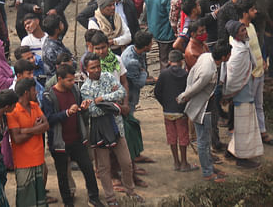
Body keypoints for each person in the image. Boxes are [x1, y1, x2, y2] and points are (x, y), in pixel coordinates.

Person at [80, 54, 142, 205]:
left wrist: (102, 99)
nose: (96, 70)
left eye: (98, 66)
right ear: (86, 70)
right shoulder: (85, 88)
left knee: (126, 162)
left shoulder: (107, 76)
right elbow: (94, 111)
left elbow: (121, 92)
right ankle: (110, 198)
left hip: (117, 128)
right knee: (104, 167)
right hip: (99, 131)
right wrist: (113, 105)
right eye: (92, 68)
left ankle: (130, 192)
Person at [41, 64, 104, 207]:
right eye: (69, 80)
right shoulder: (49, 96)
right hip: (59, 143)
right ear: (59, 79)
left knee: (88, 168)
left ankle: (94, 198)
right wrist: (66, 113)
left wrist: (83, 108)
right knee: (63, 175)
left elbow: (80, 112)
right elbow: (48, 119)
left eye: (73, 80)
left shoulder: (75, 90)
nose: (73, 83)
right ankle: (68, 202)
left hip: (77, 139)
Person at [178, 42, 230, 182]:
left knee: (205, 140)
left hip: (205, 104)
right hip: (202, 108)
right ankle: (207, 172)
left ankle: (210, 167)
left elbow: (192, 74)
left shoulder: (206, 56)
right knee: (203, 141)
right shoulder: (209, 71)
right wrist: (184, 95)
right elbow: (197, 86)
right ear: (224, 56)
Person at [223, 20, 263, 168]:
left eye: (244, 29)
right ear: (235, 35)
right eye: (241, 31)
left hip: (245, 91)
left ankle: (231, 151)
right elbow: (233, 77)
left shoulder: (242, 46)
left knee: (241, 126)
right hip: (241, 94)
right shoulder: (237, 53)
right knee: (243, 127)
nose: (245, 32)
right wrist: (230, 93)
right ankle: (242, 158)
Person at [7, 77, 49, 206]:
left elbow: (46, 125)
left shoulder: (35, 105)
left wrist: (25, 130)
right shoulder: (12, 112)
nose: (36, 92)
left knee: (38, 196)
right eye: (33, 90)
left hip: (38, 158)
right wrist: (36, 129)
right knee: (26, 198)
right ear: (26, 92)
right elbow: (17, 139)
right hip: (23, 162)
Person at [154, 50, 196, 172]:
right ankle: (184, 163)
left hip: (168, 112)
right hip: (181, 111)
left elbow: (157, 92)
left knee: (171, 136)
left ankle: (176, 162)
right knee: (183, 136)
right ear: (181, 61)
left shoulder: (163, 74)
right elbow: (189, 92)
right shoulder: (185, 74)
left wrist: (165, 103)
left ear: (169, 61)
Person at [143, 0, 176, 71]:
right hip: (166, 33)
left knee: (162, 56)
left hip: (154, 29)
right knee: (165, 60)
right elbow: (172, 16)